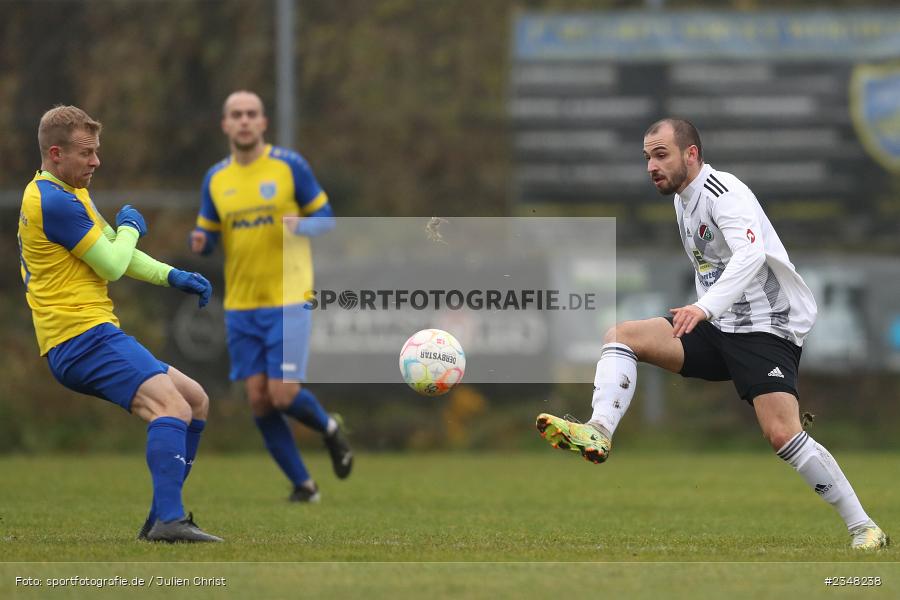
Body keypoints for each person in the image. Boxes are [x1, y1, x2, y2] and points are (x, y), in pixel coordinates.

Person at [536, 118, 889, 550]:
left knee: (782, 433)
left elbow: (751, 254)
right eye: (647, 157)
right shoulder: (683, 200)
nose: (651, 166)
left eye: (661, 154)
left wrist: (703, 307)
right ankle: (599, 430)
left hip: (765, 329)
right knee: (622, 336)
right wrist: (706, 313)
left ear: (692, 154)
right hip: (715, 326)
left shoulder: (725, 193)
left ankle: (864, 527)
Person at [18, 105, 221, 543]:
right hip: (78, 337)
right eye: (87, 153)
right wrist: (131, 225)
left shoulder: (67, 193)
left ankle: (160, 518)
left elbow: (115, 251)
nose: (96, 162)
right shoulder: (52, 201)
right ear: (56, 153)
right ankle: (168, 522)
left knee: (195, 400)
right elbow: (113, 263)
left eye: (97, 152)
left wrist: (174, 276)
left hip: (90, 333)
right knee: (173, 409)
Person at [190, 90, 352, 503]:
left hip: (289, 295)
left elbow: (327, 220)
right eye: (236, 115)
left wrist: (304, 225)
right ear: (225, 125)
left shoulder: (289, 166)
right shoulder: (216, 179)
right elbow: (208, 236)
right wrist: (201, 242)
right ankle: (304, 485)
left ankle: (330, 429)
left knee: (283, 393)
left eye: (252, 114)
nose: (244, 121)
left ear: (263, 123)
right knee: (260, 401)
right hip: (242, 304)